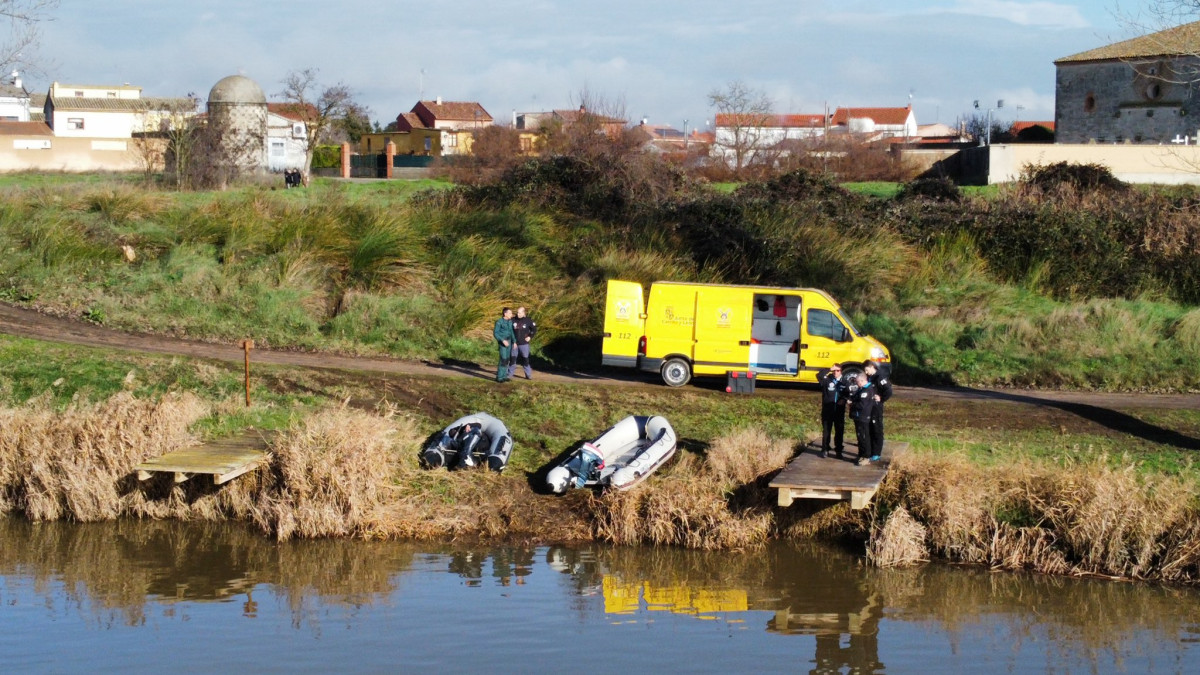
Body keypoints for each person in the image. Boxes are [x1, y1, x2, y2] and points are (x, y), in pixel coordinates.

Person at [863, 360, 893, 458]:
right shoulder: (869, 377)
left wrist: (881, 398)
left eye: (867, 370)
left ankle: (876, 453)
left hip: (876, 407)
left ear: (872, 367)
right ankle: (871, 450)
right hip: (869, 407)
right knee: (870, 428)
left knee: (877, 429)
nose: (866, 373)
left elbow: (888, 390)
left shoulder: (880, 377)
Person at [819, 365, 848, 458]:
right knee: (826, 430)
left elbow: (849, 394)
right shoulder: (827, 380)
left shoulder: (845, 381)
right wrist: (829, 369)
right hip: (827, 410)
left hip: (839, 411)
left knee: (839, 431)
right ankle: (825, 449)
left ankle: (838, 450)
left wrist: (844, 400)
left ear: (841, 371)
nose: (835, 372)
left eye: (838, 370)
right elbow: (819, 375)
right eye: (834, 371)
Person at [848, 373, 877, 465]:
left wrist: (851, 404)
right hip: (858, 416)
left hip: (863, 416)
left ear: (862, 381)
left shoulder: (867, 390)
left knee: (864, 437)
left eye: (857, 382)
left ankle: (866, 457)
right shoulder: (861, 389)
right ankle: (861, 455)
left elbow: (862, 405)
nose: (856, 383)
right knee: (860, 437)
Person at [507, 306, 538, 380]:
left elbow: (534, 329)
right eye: (517, 312)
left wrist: (530, 336)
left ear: (524, 313)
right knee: (512, 359)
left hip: (524, 344)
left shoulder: (528, 320)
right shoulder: (512, 320)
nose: (518, 314)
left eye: (520, 313)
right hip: (514, 343)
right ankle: (509, 374)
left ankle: (528, 375)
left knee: (525, 359)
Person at [493, 307, 515, 383]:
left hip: (509, 341)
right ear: (505, 314)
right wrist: (502, 340)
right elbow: (495, 333)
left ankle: (504, 376)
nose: (511, 314)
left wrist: (514, 341)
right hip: (503, 342)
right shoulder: (499, 322)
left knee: (507, 359)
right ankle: (499, 377)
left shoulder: (510, 321)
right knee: (503, 359)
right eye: (510, 313)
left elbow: (511, 332)